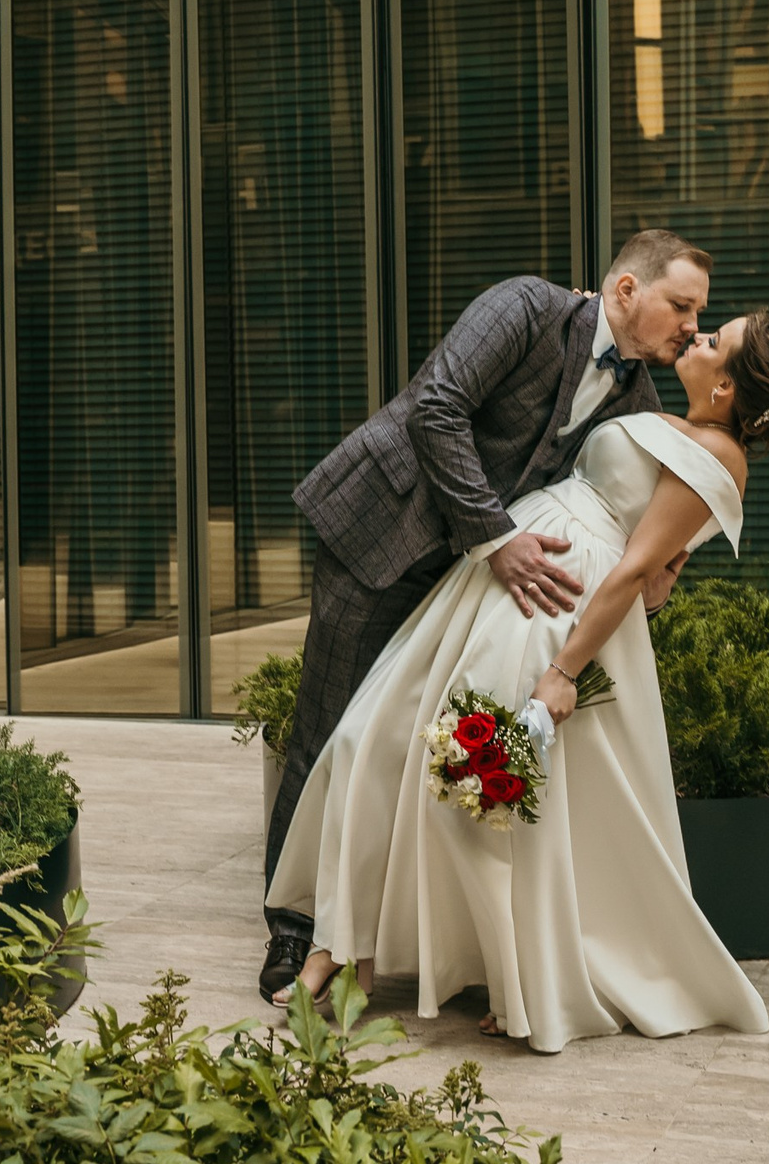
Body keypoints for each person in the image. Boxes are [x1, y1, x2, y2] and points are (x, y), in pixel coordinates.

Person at [268, 312, 769, 1052]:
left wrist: (561, 675)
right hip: (503, 578)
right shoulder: (661, 411)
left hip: (556, 609)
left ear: (725, 384)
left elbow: (632, 576)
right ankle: (342, 939)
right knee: (377, 735)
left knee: (471, 780)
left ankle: (511, 976)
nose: (699, 332)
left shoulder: (719, 456)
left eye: (716, 339)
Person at [259, 230, 713, 1002]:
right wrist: (498, 541)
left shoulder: (641, 403)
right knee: (327, 725)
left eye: (700, 312)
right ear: (628, 290)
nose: (691, 324)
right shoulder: (526, 304)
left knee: (386, 736)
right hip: (381, 529)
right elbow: (437, 407)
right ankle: (292, 929)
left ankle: (364, 932)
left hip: (459, 583)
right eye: (682, 304)